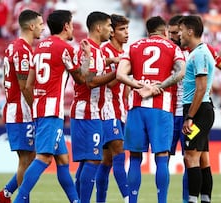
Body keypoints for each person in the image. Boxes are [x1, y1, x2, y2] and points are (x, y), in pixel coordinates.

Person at [13, 10, 92, 203]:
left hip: (40, 109)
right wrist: (87, 57)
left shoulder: (39, 47)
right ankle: (19, 200)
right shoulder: (65, 48)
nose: (73, 28)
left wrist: (38, 106)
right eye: (72, 24)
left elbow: (29, 85)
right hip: (51, 111)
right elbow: (81, 79)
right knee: (44, 158)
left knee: (63, 161)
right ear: (66, 26)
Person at [116, 16, 185, 203]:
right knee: (162, 156)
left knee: (135, 157)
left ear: (148, 32)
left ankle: (132, 201)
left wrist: (138, 85)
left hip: (137, 107)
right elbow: (181, 72)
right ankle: (161, 201)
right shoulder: (173, 48)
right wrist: (159, 86)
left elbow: (120, 74)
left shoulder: (134, 46)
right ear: (165, 32)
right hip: (161, 109)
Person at [168, 14, 221, 203]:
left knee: (190, 158)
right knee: (203, 159)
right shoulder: (200, 52)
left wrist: (189, 116)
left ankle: (192, 200)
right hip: (202, 110)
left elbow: (201, 87)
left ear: (190, 31)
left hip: (197, 111)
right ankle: (205, 199)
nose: (179, 35)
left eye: (180, 31)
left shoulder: (199, 54)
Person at [0, 9, 44, 203]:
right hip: (21, 111)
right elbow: (24, 87)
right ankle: (21, 200)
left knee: (30, 158)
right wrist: (38, 111)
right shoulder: (22, 50)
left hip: (20, 110)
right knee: (25, 159)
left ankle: (6, 194)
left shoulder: (16, 47)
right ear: (31, 26)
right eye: (39, 24)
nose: (42, 28)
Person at [70, 11, 116, 203]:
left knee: (87, 161)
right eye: (109, 26)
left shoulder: (94, 51)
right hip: (88, 112)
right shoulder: (92, 50)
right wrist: (117, 73)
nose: (111, 30)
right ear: (99, 27)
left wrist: (112, 63)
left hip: (89, 112)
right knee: (94, 160)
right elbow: (90, 81)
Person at [96, 14, 129, 203]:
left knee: (106, 160)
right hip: (107, 110)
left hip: (121, 109)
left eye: (127, 29)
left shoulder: (125, 53)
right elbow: (108, 84)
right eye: (122, 29)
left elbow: (124, 89)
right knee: (119, 152)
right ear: (112, 32)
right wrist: (122, 71)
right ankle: (128, 199)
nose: (126, 33)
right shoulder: (104, 52)